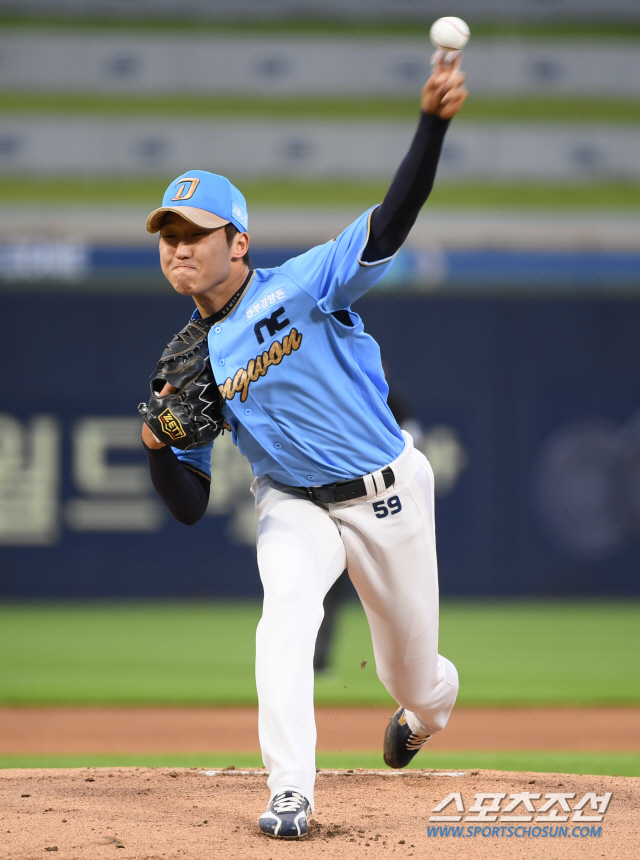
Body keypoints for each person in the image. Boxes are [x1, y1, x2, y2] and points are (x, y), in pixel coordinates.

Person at [141, 56, 467, 840]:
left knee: (414, 680)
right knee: (286, 614)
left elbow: (392, 220)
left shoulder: (304, 283)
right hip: (292, 504)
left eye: (195, 234)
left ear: (238, 241)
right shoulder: (185, 366)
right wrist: (155, 444)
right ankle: (291, 792)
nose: (179, 248)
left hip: (387, 492)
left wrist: (432, 124)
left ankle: (424, 714)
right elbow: (189, 507)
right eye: (167, 236)